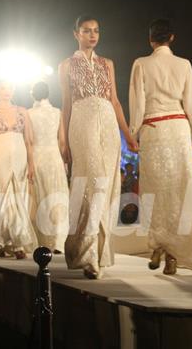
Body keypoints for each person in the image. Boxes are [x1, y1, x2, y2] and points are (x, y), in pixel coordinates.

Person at [60, 16, 137, 279]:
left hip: (107, 124)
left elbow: (114, 100)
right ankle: (87, 254)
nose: (92, 35)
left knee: (106, 186)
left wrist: (128, 135)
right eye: (86, 31)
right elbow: (66, 104)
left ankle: (98, 252)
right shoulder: (66, 65)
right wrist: (63, 138)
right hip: (81, 123)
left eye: (96, 31)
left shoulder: (108, 64)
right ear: (76, 33)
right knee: (92, 182)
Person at [129, 18, 192, 274]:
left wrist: (133, 132)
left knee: (154, 190)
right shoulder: (184, 64)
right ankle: (173, 253)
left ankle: (158, 245)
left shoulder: (141, 63)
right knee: (179, 190)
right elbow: (191, 101)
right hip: (178, 128)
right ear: (172, 38)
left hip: (153, 128)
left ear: (150, 40)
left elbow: (137, 102)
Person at [0, 81, 36, 259]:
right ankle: (6, 243)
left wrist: (32, 164)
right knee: (1, 199)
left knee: (18, 197)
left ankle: (18, 242)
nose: (7, 91)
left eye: (10, 87)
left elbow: (29, 141)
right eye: (3, 88)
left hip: (19, 156)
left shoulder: (23, 111)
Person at [27, 81, 69, 253]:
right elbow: (62, 141)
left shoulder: (28, 113)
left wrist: (29, 163)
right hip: (54, 157)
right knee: (57, 196)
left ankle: (43, 241)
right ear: (48, 93)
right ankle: (58, 241)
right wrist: (64, 161)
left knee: (40, 198)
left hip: (37, 157)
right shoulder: (57, 112)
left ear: (32, 94)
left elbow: (29, 141)